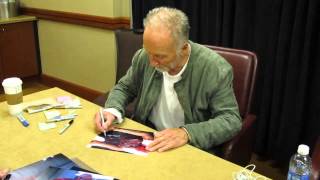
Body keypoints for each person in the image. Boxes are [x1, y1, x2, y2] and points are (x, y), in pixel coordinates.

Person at [94, 7, 241, 153]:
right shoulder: (144, 56)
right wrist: (112, 110)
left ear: (183, 48)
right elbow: (125, 87)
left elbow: (230, 120)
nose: (152, 62)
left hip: (187, 146)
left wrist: (187, 133)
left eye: (160, 56)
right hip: (147, 137)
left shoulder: (214, 69)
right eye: (148, 51)